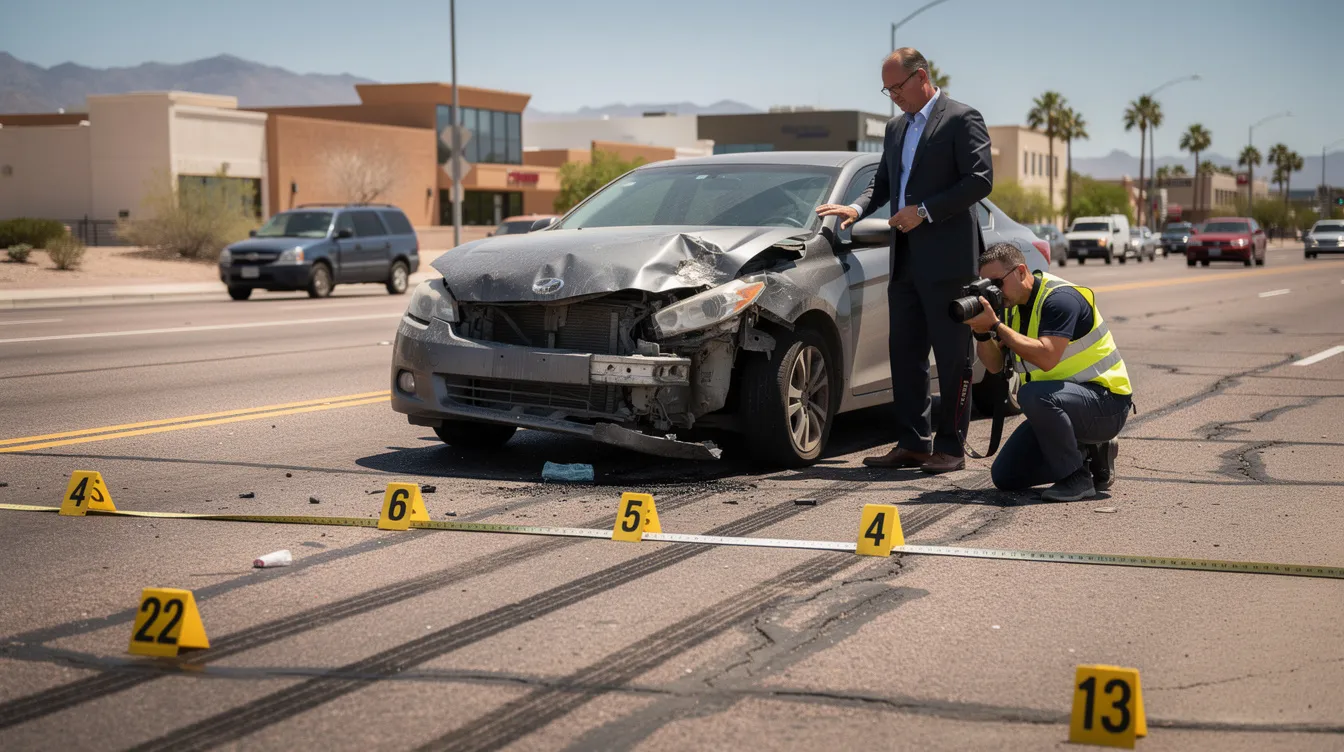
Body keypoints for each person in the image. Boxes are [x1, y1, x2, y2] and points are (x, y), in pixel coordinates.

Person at [815, 47, 993, 474]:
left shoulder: (961, 118)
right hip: (905, 261)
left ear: (922, 77)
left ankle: (950, 447)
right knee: (905, 354)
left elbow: (980, 180)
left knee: (952, 359)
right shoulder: (895, 128)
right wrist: (856, 209)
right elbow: (883, 183)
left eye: (898, 86)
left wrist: (925, 210)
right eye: (887, 88)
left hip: (950, 263)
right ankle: (914, 442)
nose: (892, 95)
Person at [967, 242, 1133, 501]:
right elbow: (995, 365)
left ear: (1021, 271)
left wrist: (996, 326)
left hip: (1106, 404)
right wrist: (981, 332)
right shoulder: (1009, 307)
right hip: (1062, 405)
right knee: (1006, 476)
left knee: (1032, 395)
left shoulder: (1060, 300)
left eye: (996, 283)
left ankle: (1076, 478)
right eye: (986, 286)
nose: (993, 293)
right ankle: (1091, 455)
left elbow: (1046, 357)